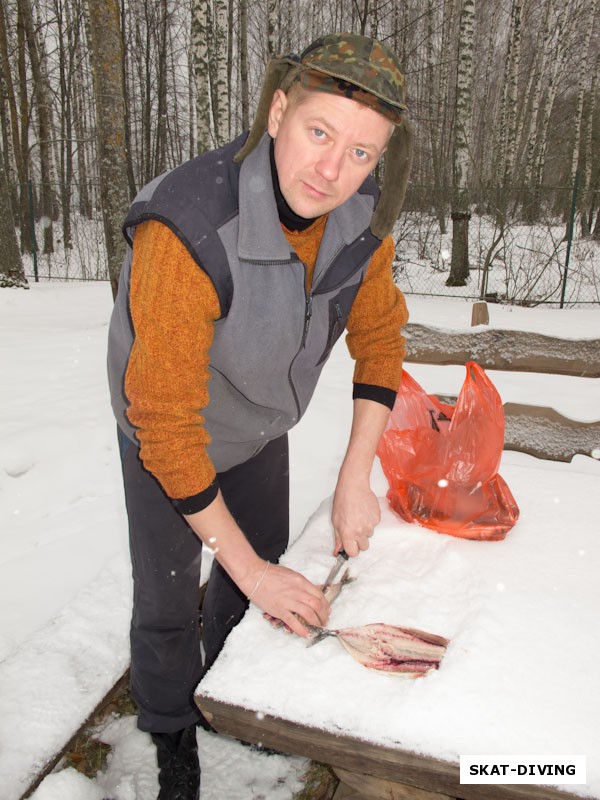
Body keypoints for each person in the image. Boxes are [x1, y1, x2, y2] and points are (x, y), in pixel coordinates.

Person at [107, 32, 412, 800]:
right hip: (167, 433)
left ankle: (230, 696)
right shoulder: (188, 226)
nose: (332, 171)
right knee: (173, 593)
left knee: (261, 567)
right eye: (319, 132)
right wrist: (246, 566)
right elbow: (168, 424)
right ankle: (171, 728)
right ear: (277, 111)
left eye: (361, 154)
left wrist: (354, 478)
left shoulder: (361, 218)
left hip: (260, 425)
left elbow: (380, 339)